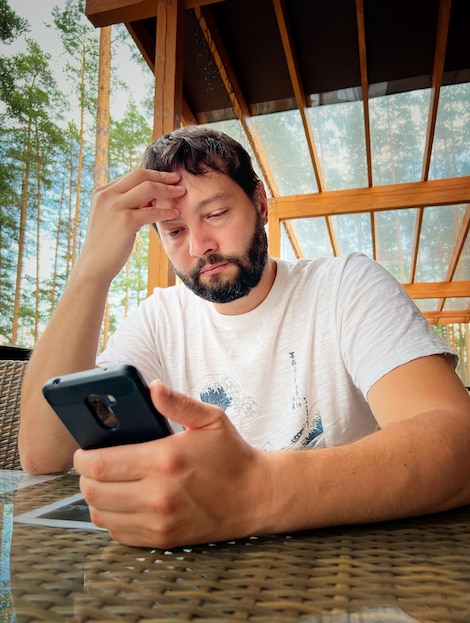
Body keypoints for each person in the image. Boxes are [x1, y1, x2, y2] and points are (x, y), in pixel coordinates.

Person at [19, 127, 470, 549]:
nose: (198, 245)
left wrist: (256, 492)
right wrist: (90, 273)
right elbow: (45, 453)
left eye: (215, 214)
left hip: (354, 573)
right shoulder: (158, 319)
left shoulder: (345, 286)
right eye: (174, 231)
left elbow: (457, 443)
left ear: (260, 203)